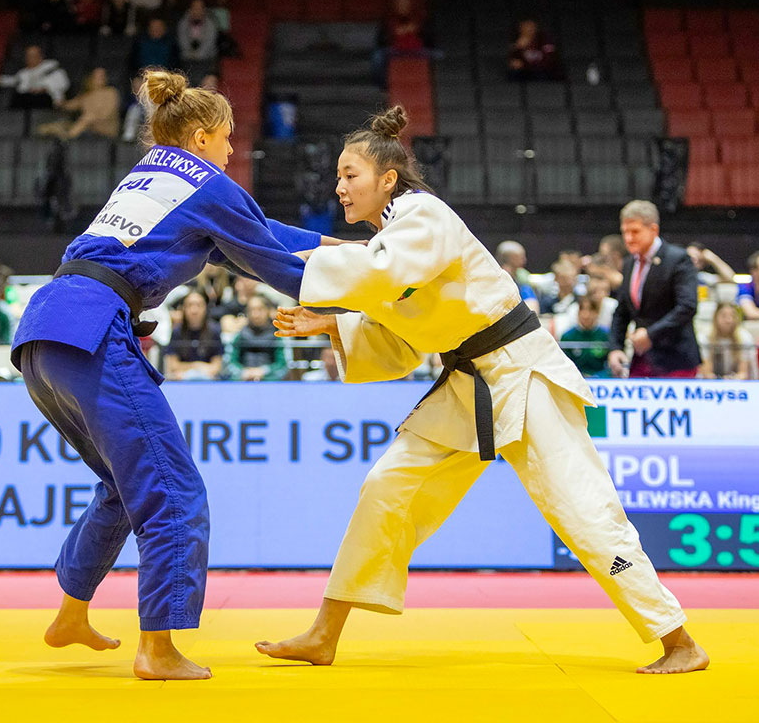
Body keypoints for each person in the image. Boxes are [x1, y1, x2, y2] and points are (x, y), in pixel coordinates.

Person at [257, 106, 705, 675]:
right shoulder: (391, 243)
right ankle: (324, 633)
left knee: (581, 508)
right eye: (338, 176)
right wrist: (333, 324)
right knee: (385, 488)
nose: (339, 187)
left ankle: (678, 639)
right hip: (468, 385)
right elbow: (403, 339)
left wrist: (294, 263)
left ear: (388, 179)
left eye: (350, 175)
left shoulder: (421, 215)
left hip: (522, 374)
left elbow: (380, 273)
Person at [10, 69, 339, 680]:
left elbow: (260, 233)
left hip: (42, 332)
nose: (232, 150)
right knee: (174, 490)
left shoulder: (150, 176)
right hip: (93, 331)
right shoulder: (207, 183)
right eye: (228, 138)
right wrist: (370, 291)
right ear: (201, 137)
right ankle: (157, 649)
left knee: (121, 484)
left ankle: (71, 613)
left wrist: (343, 248)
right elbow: (275, 263)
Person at [607, 201, 701, 378]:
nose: (628, 238)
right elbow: (622, 311)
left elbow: (687, 307)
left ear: (653, 230)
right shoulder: (628, 264)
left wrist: (651, 334)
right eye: (625, 232)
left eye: (635, 231)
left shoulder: (678, 259)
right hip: (642, 359)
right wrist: (615, 348)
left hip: (676, 360)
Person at [37, 68, 120, 140]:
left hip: (105, 126)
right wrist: (61, 104)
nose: (100, 78)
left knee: (88, 117)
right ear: (91, 78)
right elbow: (72, 105)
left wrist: (93, 118)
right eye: (97, 76)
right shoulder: (86, 95)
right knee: (51, 127)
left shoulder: (110, 92)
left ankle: (68, 137)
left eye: (102, 76)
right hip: (86, 126)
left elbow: (108, 112)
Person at [164, 290, 224, 380]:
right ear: (183, 309)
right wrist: (196, 366)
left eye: (198, 305)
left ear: (205, 308)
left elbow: (217, 366)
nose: (194, 310)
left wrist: (196, 369)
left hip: (208, 380)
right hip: (181, 380)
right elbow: (173, 365)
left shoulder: (214, 331)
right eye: (190, 305)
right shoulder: (176, 332)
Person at [225, 295, 287, 381]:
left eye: (260, 309)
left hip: (269, 382)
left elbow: (283, 365)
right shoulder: (239, 336)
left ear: (268, 311)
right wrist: (243, 372)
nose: (255, 315)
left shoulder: (278, 336)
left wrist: (264, 371)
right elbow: (230, 363)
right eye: (251, 310)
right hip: (243, 380)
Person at [0, 45, 70, 110]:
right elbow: (15, 80)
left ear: (40, 57)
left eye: (32, 56)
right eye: (27, 56)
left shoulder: (52, 68)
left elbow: (62, 84)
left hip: (45, 99)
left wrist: (45, 89)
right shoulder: (24, 72)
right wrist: (0, 80)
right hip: (25, 99)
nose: (29, 58)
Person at [698, 302, 755, 380]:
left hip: (737, 383)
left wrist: (731, 380)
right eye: (723, 316)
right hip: (712, 383)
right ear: (715, 317)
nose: (728, 320)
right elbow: (706, 372)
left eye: (732, 316)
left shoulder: (745, 338)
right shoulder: (705, 337)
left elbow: (743, 373)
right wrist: (720, 380)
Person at [560, 296, 612, 378]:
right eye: (582, 310)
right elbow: (563, 365)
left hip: (600, 380)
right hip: (574, 379)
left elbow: (610, 366)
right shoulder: (567, 336)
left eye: (590, 310)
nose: (586, 315)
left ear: (597, 313)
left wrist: (597, 377)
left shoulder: (606, 335)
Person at [178, 0, 219, 86]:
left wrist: (197, 55)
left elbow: (209, 43)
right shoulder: (182, 23)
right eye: (195, 8)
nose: (197, 11)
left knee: (207, 80)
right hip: (187, 59)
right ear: (190, 9)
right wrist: (190, 54)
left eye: (199, 8)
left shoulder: (211, 24)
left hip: (205, 60)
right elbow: (182, 41)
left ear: (204, 10)